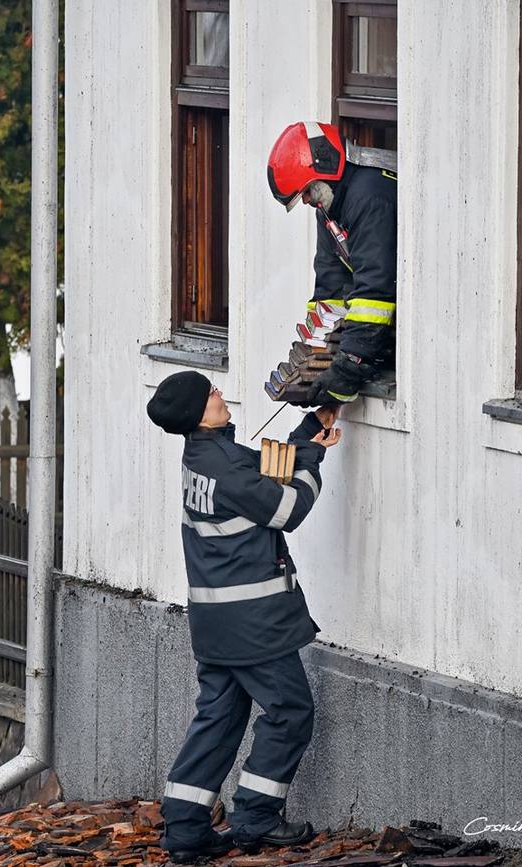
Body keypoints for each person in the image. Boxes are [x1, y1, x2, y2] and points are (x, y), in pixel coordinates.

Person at [146, 370, 341, 863]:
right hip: (253, 623)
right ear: (197, 412)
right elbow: (288, 508)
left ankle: (186, 827)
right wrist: (314, 457)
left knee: (219, 717)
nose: (218, 393)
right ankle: (255, 817)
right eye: (209, 392)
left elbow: (259, 471)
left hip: (215, 622)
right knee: (290, 711)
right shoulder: (226, 467)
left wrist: (302, 435)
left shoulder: (202, 458)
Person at [267, 121, 397, 405]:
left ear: (324, 170)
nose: (305, 202)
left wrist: (349, 366)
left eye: (306, 193)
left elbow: (375, 295)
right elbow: (331, 285)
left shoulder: (370, 198)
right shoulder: (328, 204)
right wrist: (313, 355)